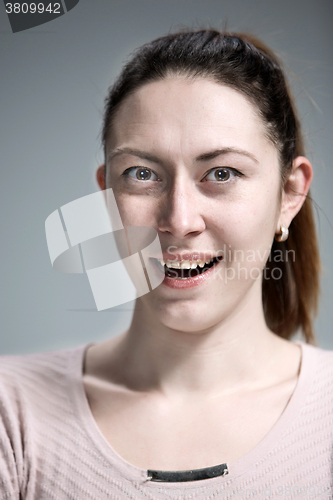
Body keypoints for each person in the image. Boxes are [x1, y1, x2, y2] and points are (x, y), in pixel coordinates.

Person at [0, 29, 332, 499]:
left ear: (290, 195)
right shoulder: (11, 415)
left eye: (222, 173)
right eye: (142, 175)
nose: (178, 220)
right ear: (106, 197)